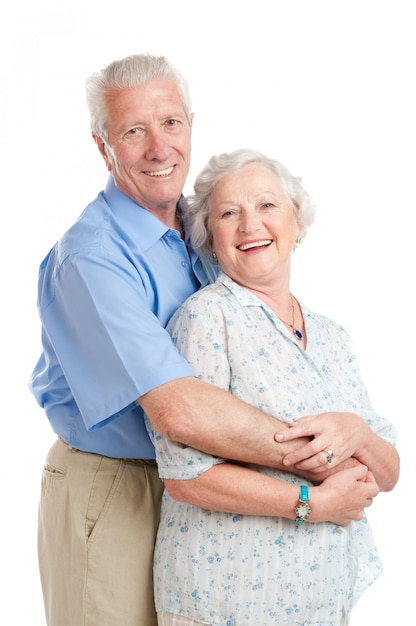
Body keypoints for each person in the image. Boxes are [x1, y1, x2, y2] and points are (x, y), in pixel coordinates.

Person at [29, 56, 357, 626]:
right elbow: (180, 411)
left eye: (171, 123)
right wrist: (321, 460)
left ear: (191, 124)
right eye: (134, 131)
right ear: (104, 148)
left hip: (219, 495)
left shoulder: (211, 231)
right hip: (120, 487)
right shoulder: (91, 260)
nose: (160, 148)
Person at [144, 148, 400, 626]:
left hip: (320, 599)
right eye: (228, 213)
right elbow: (184, 476)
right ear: (209, 239)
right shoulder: (205, 320)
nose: (250, 226)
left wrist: (359, 435)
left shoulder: (333, 336)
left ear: (297, 222)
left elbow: (386, 474)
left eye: (266, 206)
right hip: (226, 602)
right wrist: (312, 504)